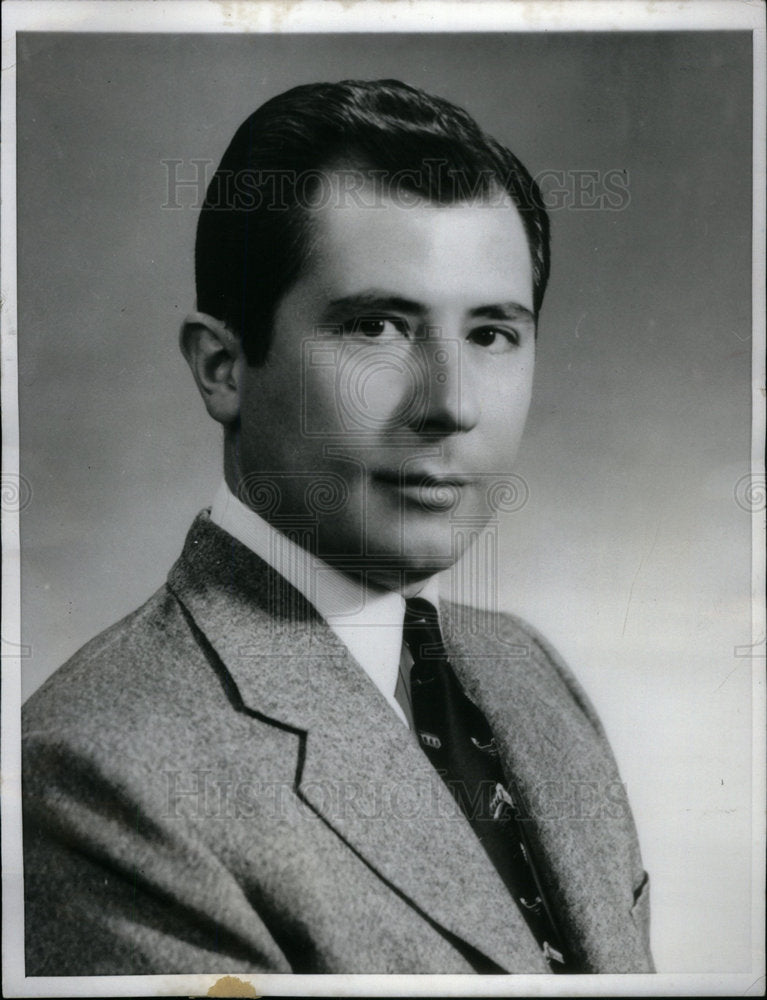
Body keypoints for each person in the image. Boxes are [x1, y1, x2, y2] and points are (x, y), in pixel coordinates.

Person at [22, 79, 654, 976]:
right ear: (222, 368)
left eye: (490, 334)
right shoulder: (95, 776)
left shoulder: (530, 677)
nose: (450, 405)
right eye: (377, 326)